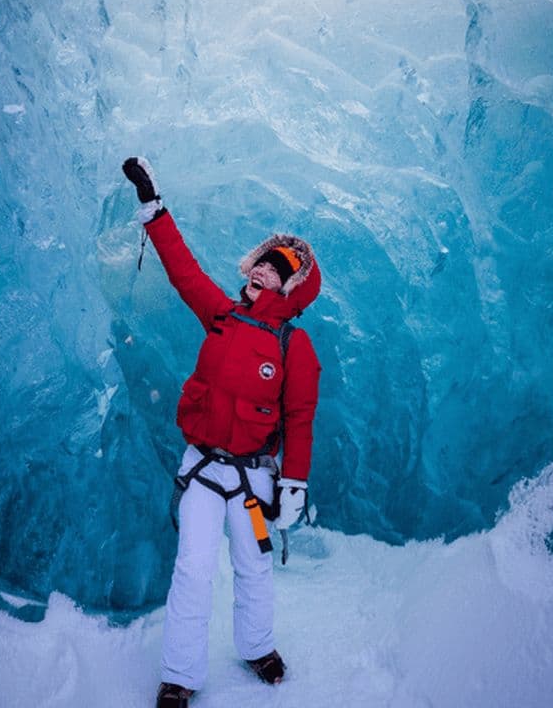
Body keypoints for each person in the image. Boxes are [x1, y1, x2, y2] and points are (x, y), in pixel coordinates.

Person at [122, 157, 321, 708]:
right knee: (192, 569)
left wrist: (295, 486)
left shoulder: (293, 347)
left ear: (292, 287)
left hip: (254, 480)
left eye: (277, 269)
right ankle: (179, 676)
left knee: (253, 567)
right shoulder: (222, 316)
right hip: (204, 469)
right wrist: (154, 208)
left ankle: (257, 647)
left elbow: (300, 417)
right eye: (261, 263)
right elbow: (184, 272)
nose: (262, 271)